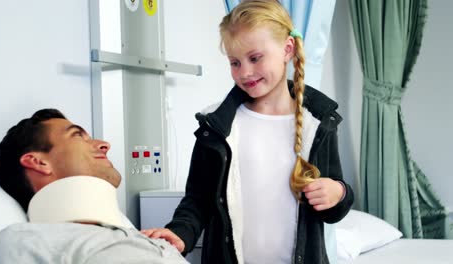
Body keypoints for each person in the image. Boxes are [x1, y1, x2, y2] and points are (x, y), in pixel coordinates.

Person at [141, 1, 354, 263]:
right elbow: (197, 202)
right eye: (235, 63)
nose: (245, 72)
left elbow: (334, 203)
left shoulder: (318, 124)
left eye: (255, 58)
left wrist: (338, 193)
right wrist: (179, 234)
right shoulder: (216, 127)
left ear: (287, 49)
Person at [0, 108, 188, 264]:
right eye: (77, 135)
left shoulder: (151, 240)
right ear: (38, 162)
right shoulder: (23, 241)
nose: (104, 144)